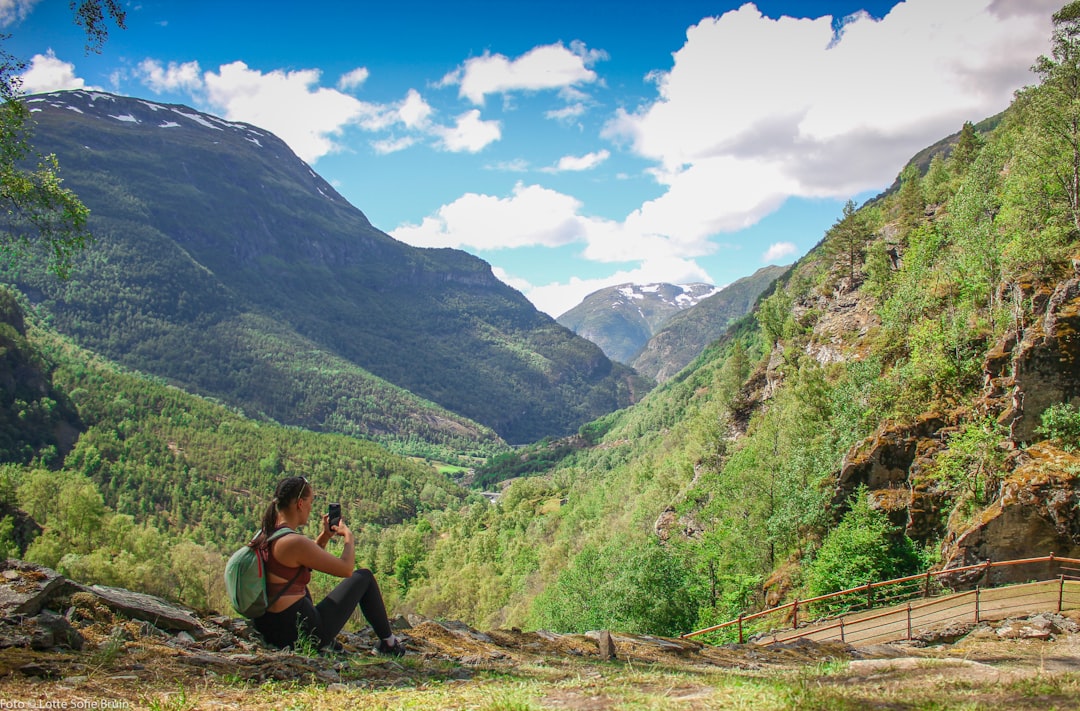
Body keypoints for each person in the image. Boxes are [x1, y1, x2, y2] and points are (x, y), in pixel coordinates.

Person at [249, 475, 405, 656]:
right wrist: (349, 537)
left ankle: (329, 644)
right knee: (364, 577)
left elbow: (304, 562)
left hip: (268, 626)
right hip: (296, 633)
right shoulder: (293, 542)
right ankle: (389, 644)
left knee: (302, 589)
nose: (311, 507)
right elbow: (346, 569)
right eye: (310, 501)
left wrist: (324, 536)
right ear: (300, 504)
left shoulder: (266, 534)